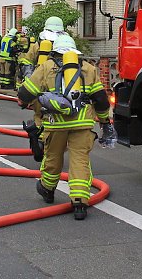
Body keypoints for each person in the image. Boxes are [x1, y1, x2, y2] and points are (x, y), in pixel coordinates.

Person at [17, 34, 114, 220]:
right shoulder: (88, 68)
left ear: (54, 52)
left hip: (56, 123)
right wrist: (104, 121)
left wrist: (23, 101)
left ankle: (47, 189)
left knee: (52, 157)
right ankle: (79, 202)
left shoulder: (47, 67)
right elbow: (101, 100)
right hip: (83, 123)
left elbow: (26, 91)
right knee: (80, 160)